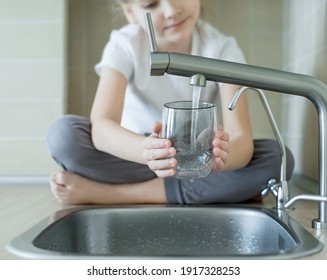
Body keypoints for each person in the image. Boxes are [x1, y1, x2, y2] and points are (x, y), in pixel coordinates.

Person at [46, 0, 294, 205]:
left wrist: (221, 159)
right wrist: (147, 151)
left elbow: (241, 137)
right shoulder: (124, 43)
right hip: (136, 158)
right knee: (64, 135)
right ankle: (216, 192)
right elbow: (101, 126)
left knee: (277, 157)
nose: (170, 10)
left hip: (197, 159)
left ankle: (106, 194)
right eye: (151, 4)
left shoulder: (221, 48)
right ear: (130, 13)